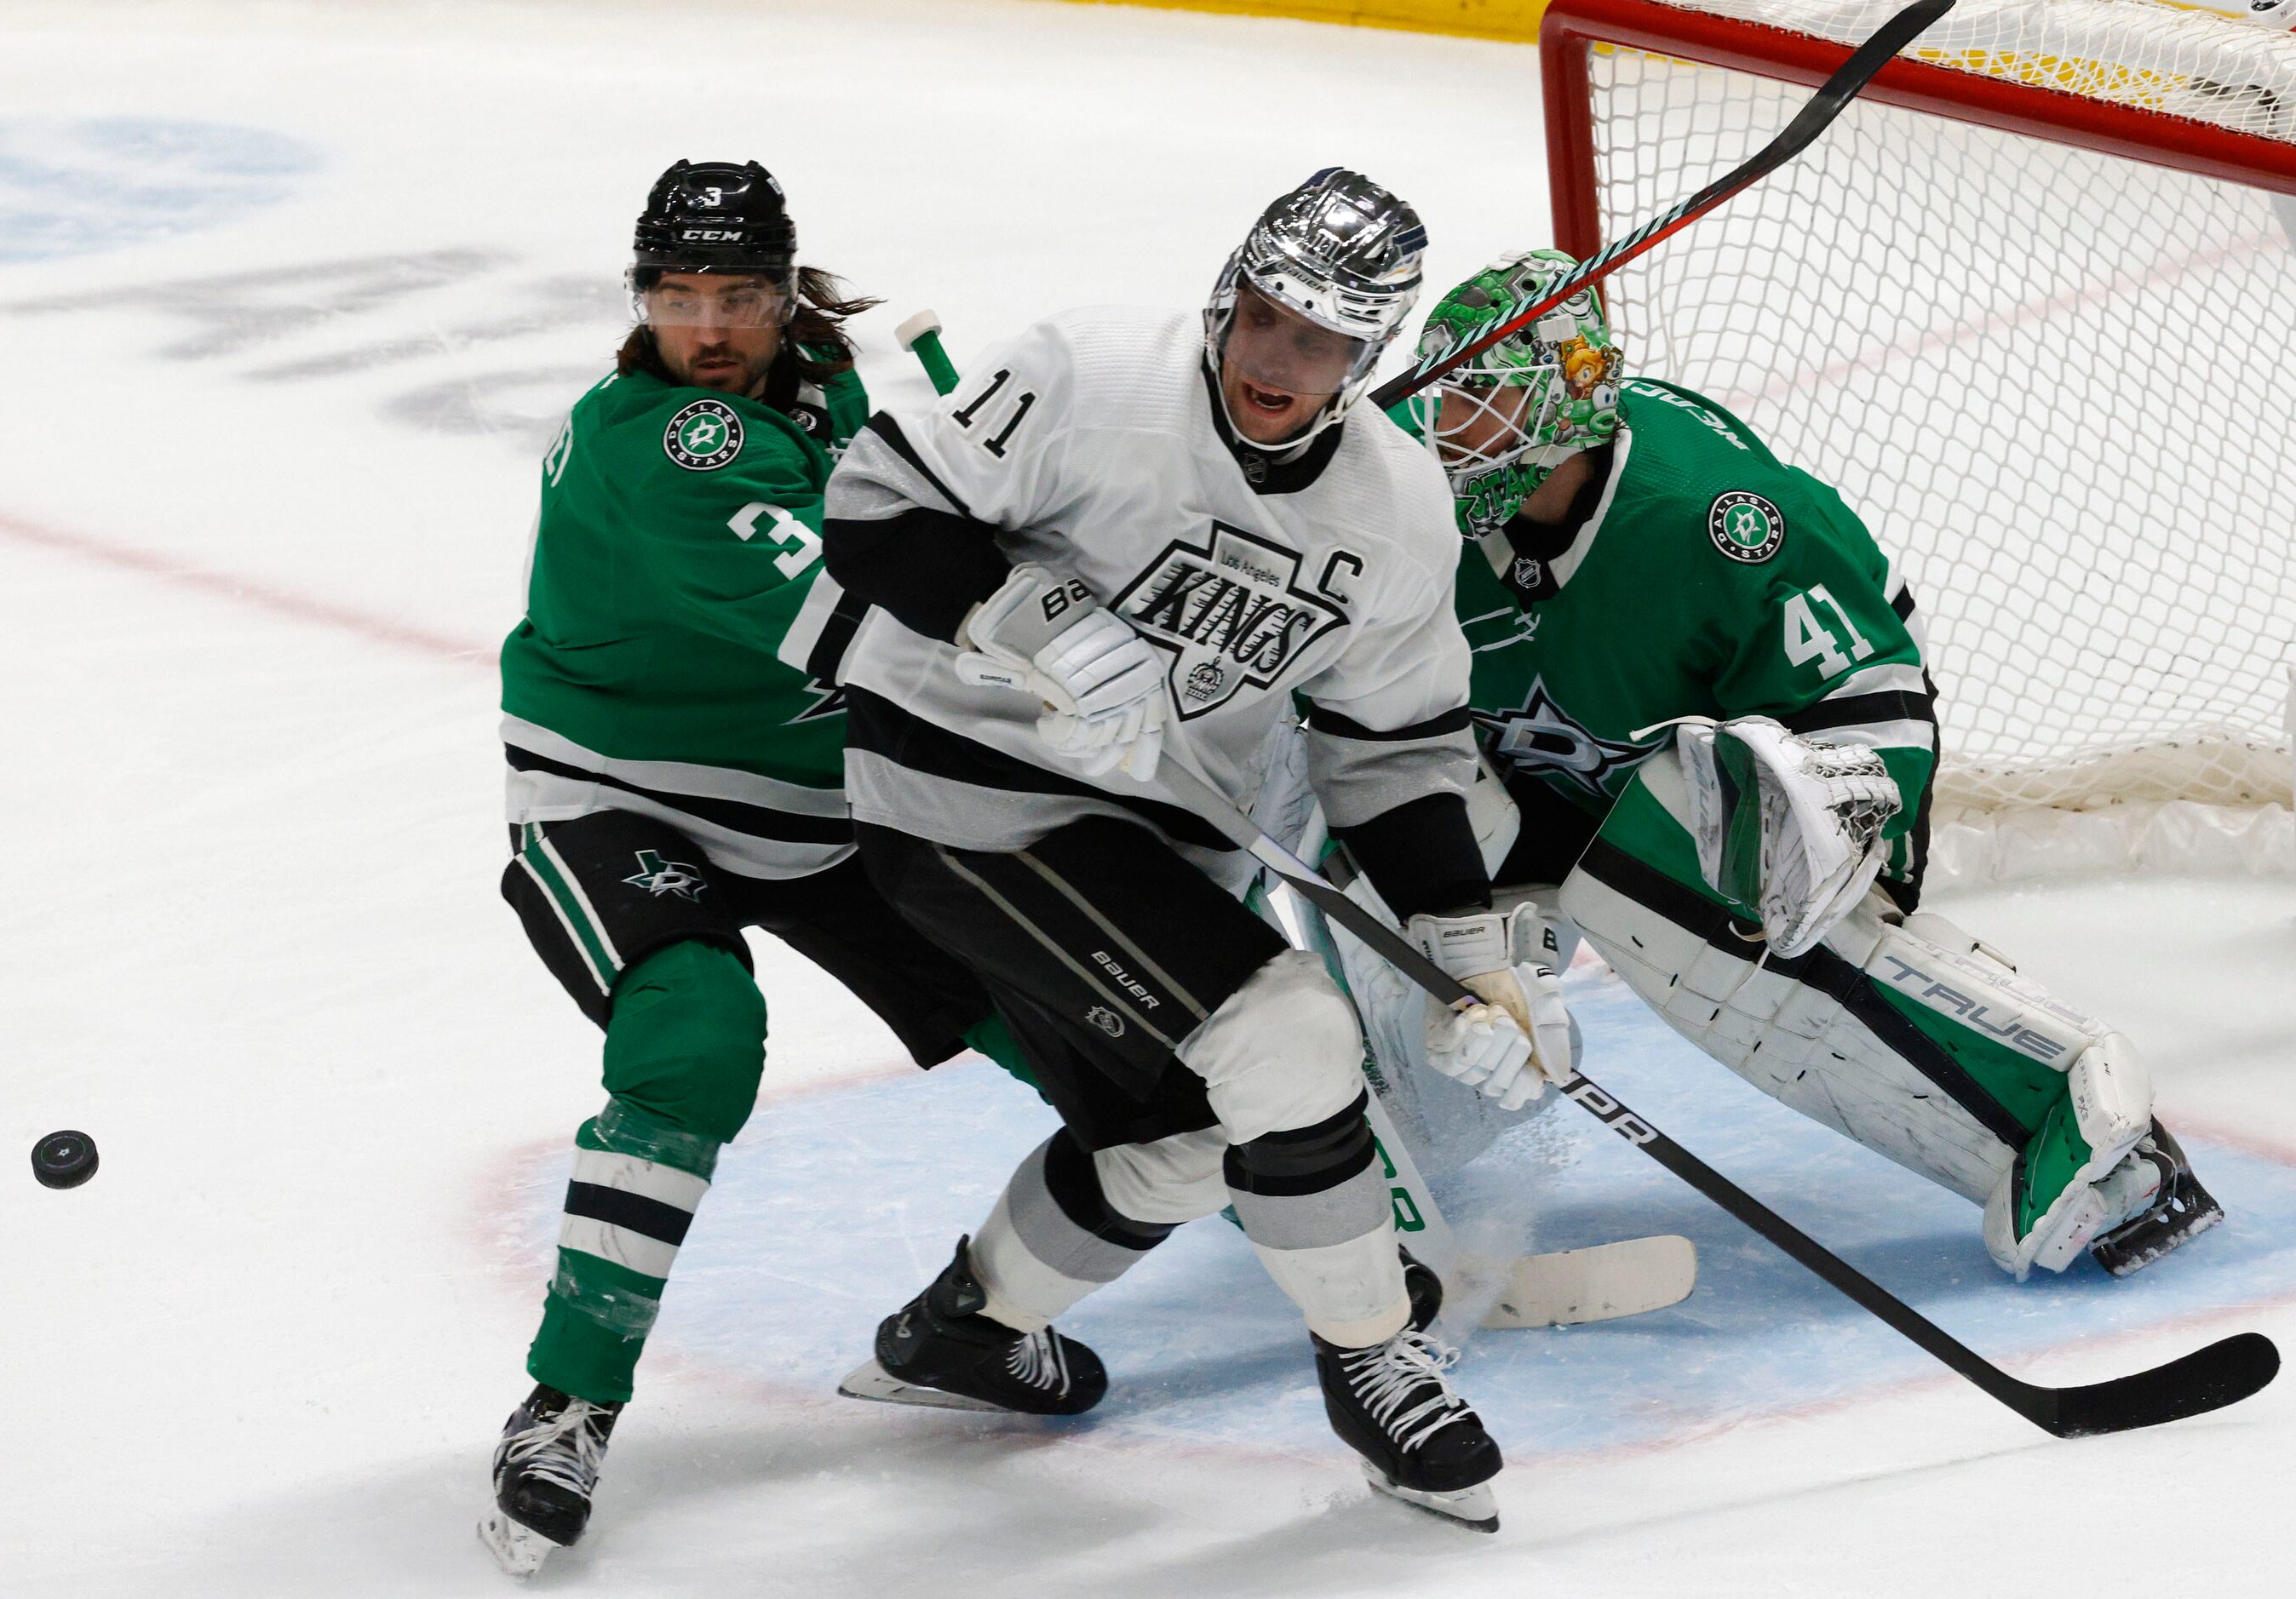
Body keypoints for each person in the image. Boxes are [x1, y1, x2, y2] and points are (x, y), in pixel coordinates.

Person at [815, 169, 1575, 1531]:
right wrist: (1029, 615)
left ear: (1369, 357)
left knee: (1188, 1142)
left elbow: (1392, 749)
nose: (1277, 359)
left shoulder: (1394, 513)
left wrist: (1470, 954)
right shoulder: (1089, 369)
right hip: (958, 785)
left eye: (1323, 338)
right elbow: (873, 508)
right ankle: (1371, 1360)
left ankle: (965, 1332)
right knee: (1284, 1037)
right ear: (1230, 292)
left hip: (1157, 841)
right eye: (1267, 316)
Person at [1387, 248, 2222, 1289]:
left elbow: (1875, 695)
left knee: (1694, 851)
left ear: (1573, 406)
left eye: (1485, 409)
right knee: (1370, 832)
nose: (1446, 436)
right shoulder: (1405, 493)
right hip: (1528, 785)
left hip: (1754, 791)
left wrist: (1828, 815)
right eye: (1445, 404)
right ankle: (1361, 1154)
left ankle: (2085, 1133)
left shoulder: (1717, 517)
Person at [480, 158, 1032, 1575]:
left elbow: (930, 518)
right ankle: (569, 1399)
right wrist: (1051, 634)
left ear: (786, 296)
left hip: (819, 802)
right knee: (692, 1040)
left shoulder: (822, 382)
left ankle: (982, 1315)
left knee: (1065, 1014)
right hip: (617, 792)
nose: (707, 325)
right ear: (641, 304)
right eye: (677, 297)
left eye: (735, 295)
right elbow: (863, 624)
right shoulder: (665, 443)